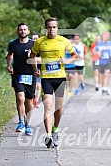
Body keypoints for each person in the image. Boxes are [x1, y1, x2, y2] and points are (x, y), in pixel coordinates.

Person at [30, 17, 78, 148]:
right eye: (49, 27)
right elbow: (32, 56)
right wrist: (35, 69)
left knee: (59, 109)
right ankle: (48, 135)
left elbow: (75, 55)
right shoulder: (40, 41)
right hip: (46, 78)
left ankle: (55, 129)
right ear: (46, 28)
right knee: (48, 107)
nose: (52, 29)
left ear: (57, 28)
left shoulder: (63, 41)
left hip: (60, 78)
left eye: (54, 27)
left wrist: (67, 61)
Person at [6, 22, 35, 136]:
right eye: (21, 29)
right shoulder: (13, 44)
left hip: (30, 75)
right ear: (17, 31)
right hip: (17, 74)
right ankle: (21, 121)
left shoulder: (34, 44)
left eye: (25, 29)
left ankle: (28, 124)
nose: (23, 31)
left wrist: (32, 56)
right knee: (20, 97)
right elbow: (9, 55)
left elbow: (40, 57)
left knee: (29, 101)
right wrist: (9, 65)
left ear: (28, 32)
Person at [32, 34, 41, 108]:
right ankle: (32, 99)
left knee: (38, 86)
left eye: (36, 39)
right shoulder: (29, 48)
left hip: (40, 70)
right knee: (34, 86)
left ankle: (36, 101)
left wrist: (34, 59)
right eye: (33, 39)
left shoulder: (41, 48)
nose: (35, 40)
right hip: (30, 70)